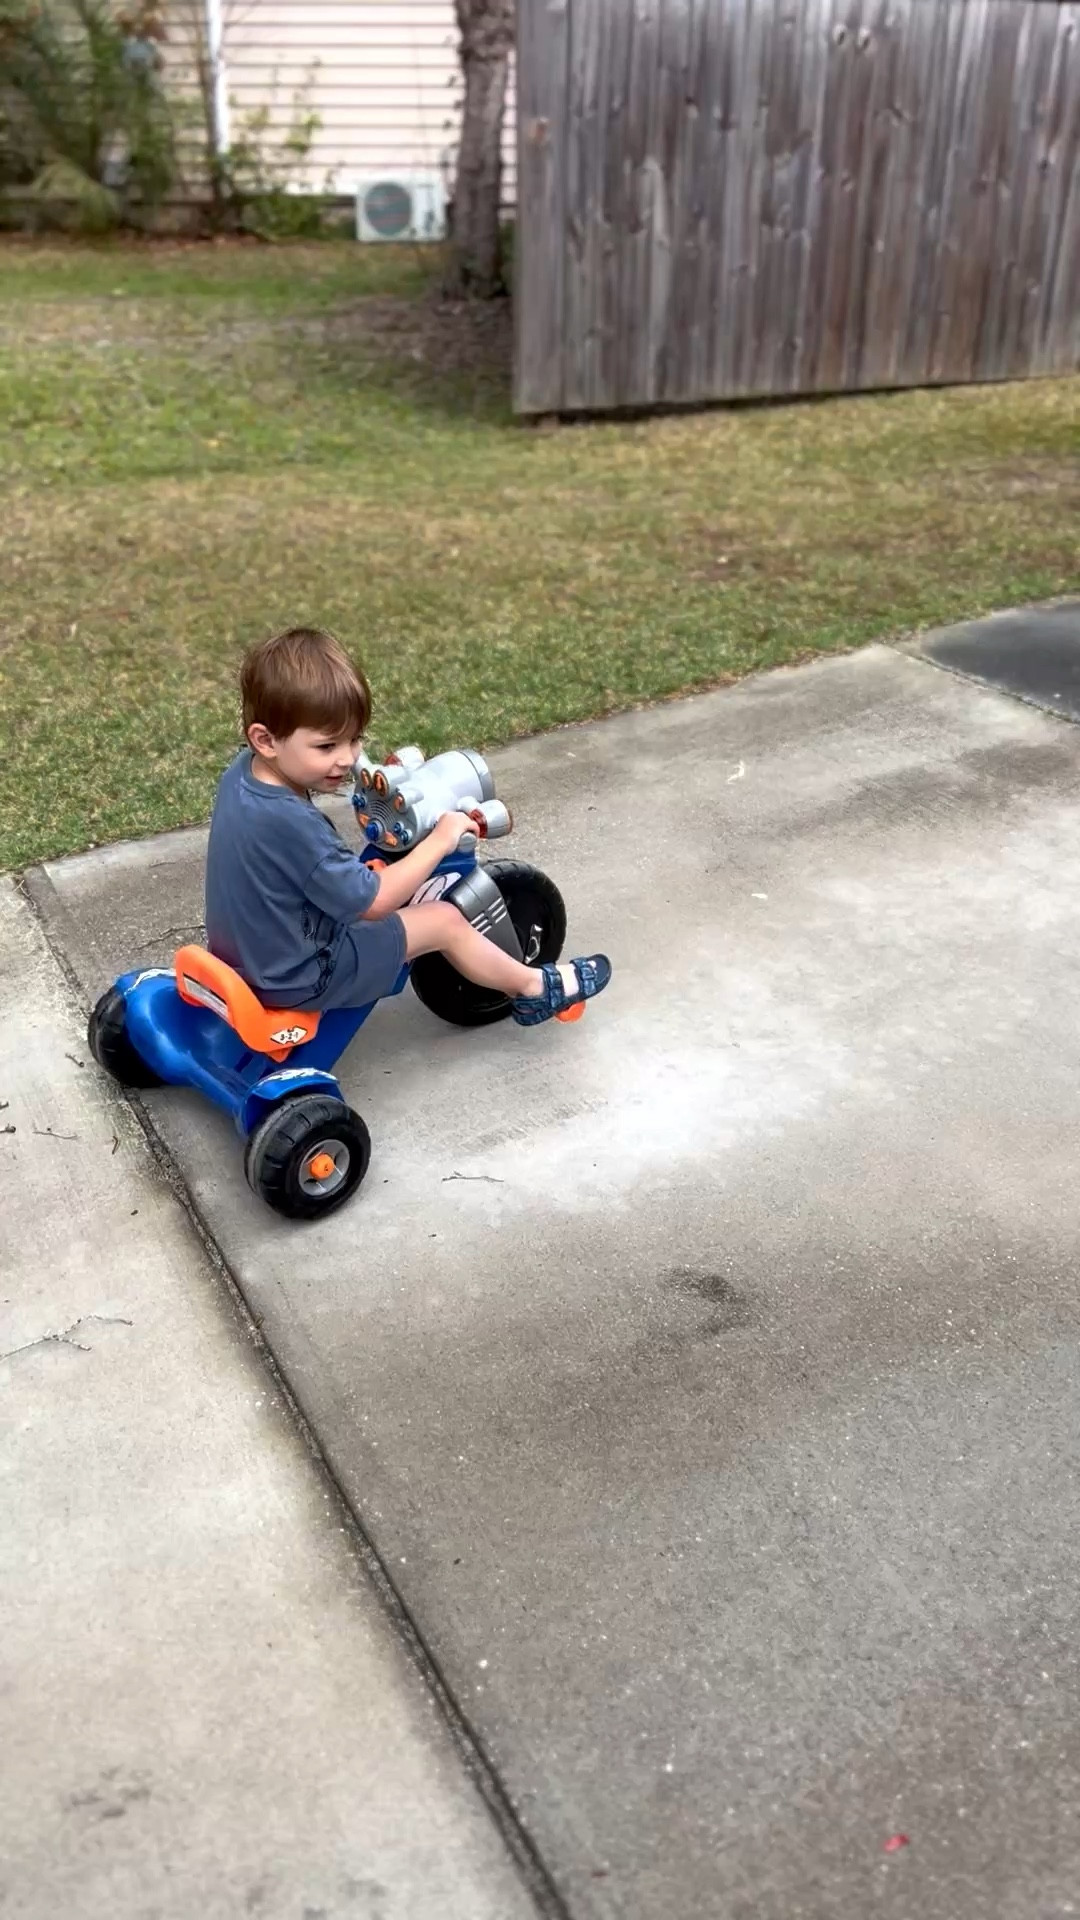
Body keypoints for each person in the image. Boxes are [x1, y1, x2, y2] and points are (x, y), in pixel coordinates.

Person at [205, 626, 612, 1026]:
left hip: (247, 952)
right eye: (327, 746)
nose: (347, 759)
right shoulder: (293, 823)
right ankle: (534, 989)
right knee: (444, 921)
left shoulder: (243, 776)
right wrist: (439, 840)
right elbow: (373, 904)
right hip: (300, 975)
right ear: (266, 739)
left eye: (354, 739)